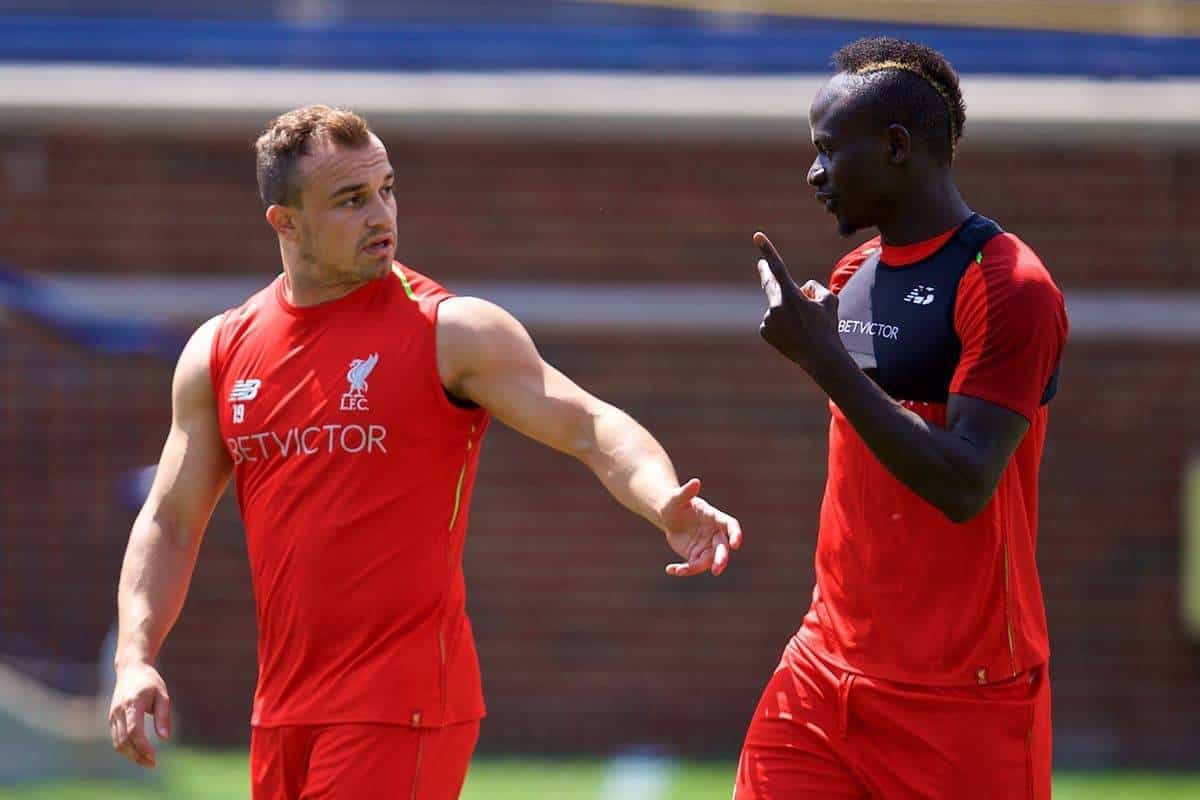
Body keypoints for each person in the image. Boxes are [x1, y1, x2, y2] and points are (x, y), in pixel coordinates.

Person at [107, 105, 742, 799]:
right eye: (351, 200)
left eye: (387, 189)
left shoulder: (452, 330)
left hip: (400, 705)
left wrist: (663, 501)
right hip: (283, 710)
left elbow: (592, 425)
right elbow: (171, 522)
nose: (381, 214)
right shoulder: (220, 352)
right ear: (284, 222)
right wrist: (136, 658)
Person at [737, 37, 1068, 800]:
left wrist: (825, 361)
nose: (813, 174)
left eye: (828, 150)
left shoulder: (1011, 285)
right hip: (823, 675)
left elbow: (962, 483)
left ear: (895, 147)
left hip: (965, 698)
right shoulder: (852, 276)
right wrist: (827, 350)